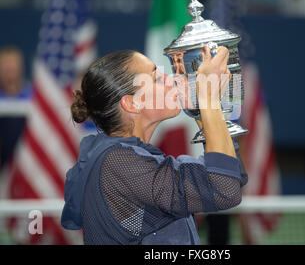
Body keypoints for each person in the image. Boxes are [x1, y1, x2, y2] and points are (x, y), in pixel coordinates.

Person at [61, 45, 248, 245]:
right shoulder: (118, 163)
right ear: (131, 103)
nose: (172, 79)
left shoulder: (127, 158)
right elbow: (224, 190)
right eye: (157, 78)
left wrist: (201, 110)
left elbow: (231, 176)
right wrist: (208, 100)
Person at [0, 46, 31, 171]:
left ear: (21, 68)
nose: (10, 70)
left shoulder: (34, 97)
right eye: (6, 67)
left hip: (30, 168)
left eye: (13, 66)